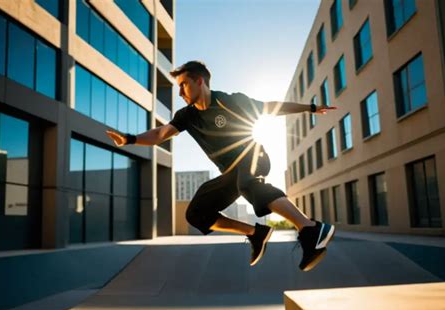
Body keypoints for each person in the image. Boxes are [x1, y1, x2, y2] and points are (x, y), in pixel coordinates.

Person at [106, 60, 337, 271]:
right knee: (196, 214)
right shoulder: (186, 116)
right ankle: (256, 233)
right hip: (231, 173)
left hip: (254, 156)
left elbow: (271, 107)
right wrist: (130, 139)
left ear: (200, 81)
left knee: (246, 183)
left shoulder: (229, 101)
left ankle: (310, 228)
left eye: (184, 85)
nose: (180, 92)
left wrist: (311, 108)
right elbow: (160, 133)